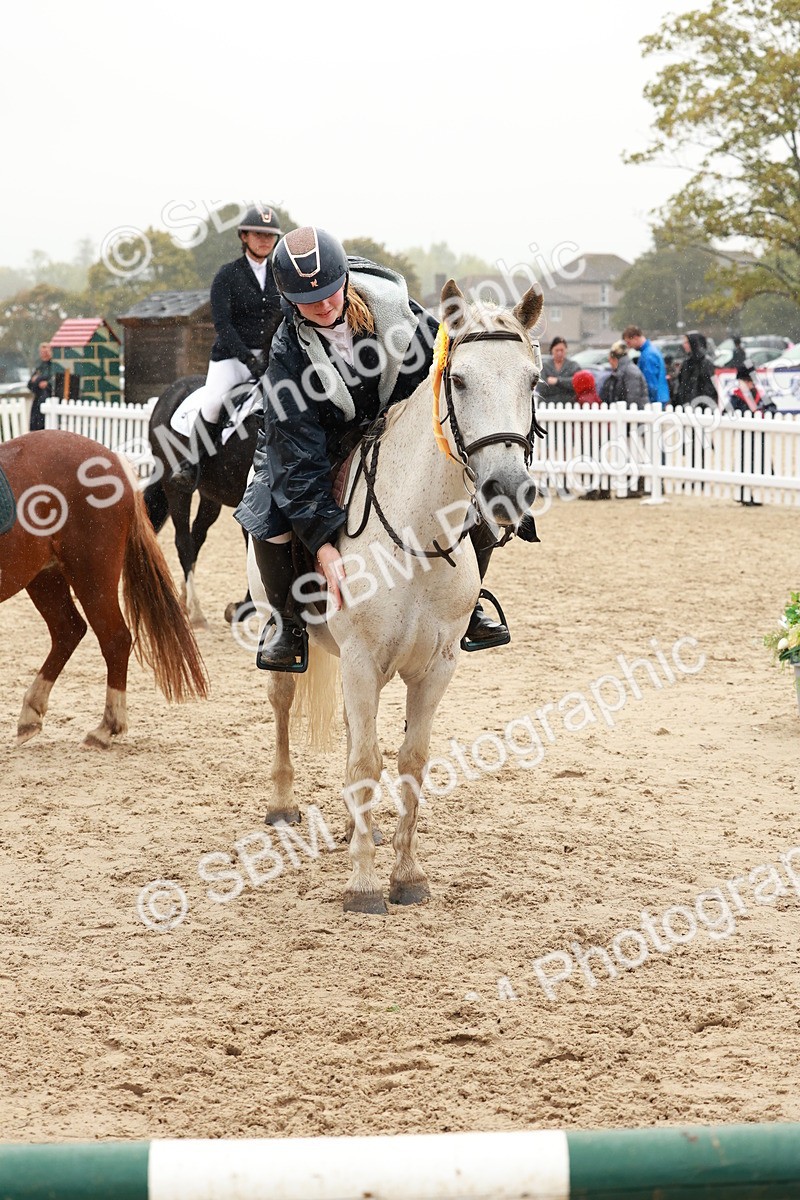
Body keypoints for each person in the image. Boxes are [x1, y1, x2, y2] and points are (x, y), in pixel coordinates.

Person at [235, 227, 518, 671]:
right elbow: (298, 451)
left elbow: (444, 366)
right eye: (309, 301)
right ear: (289, 300)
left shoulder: (400, 316)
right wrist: (322, 543)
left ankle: (471, 599)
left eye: (330, 293)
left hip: (394, 430)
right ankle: (286, 623)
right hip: (316, 441)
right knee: (266, 506)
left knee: (473, 487)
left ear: (345, 278)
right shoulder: (288, 352)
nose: (324, 306)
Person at [170, 204, 285, 491]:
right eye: (258, 234)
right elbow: (222, 324)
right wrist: (247, 358)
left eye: (270, 236)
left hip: (271, 357)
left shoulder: (280, 276)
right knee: (212, 403)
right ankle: (190, 465)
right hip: (231, 358)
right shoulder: (228, 274)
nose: (265, 240)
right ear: (244, 236)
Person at [621, 325, 670, 405]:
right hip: (661, 397)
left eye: (628, 342)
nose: (629, 346)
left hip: (655, 401)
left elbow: (650, 384)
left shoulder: (648, 355)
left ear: (636, 338)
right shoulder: (651, 350)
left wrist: (648, 402)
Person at [674, 331, 717, 409]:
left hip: (701, 407)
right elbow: (682, 385)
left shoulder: (705, 364)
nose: (684, 345)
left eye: (686, 342)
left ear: (694, 343)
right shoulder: (686, 363)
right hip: (686, 406)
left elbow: (709, 388)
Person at [599, 341, 648, 407]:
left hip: (631, 412)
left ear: (614, 359)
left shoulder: (630, 372)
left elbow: (632, 399)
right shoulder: (621, 371)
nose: (610, 364)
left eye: (609, 360)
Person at [536, 337, 579, 405]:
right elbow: (540, 387)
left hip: (569, 405)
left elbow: (577, 383)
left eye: (562, 350)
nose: (559, 353)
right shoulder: (544, 366)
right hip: (546, 405)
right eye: (557, 350)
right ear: (551, 350)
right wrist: (565, 385)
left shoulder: (573, 365)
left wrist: (557, 381)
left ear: (566, 350)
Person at [27, 342, 55, 431]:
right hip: (38, 400)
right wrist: (35, 382)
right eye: (42, 352)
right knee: (36, 426)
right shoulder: (39, 366)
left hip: (49, 398)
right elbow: (30, 384)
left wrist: (47, 383)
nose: (44, 354)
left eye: (46, 352)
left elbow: (55, 381)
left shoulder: (54, 365)